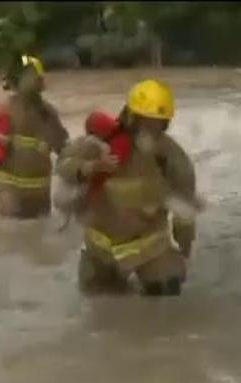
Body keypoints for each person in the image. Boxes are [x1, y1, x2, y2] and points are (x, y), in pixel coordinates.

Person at [55, 80, 203, 297]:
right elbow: (63, 166)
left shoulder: (171, 158)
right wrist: (92, 167)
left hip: (151, 251)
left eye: (158, 123)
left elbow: (184, 211)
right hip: (99, 250)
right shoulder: (100, 143)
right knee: (96, 301)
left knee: (166, 295)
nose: (151, 129)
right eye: (146, 121)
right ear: (131, 116)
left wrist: (184, 250)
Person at [0, 54, 68, 219]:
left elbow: (63, 148)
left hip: (39, 190)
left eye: (35, 76)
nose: (33, 81)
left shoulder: (48, 113)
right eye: (29, 76)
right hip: (8, 188)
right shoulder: (4, 109)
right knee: (9, 233)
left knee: (35, 234)